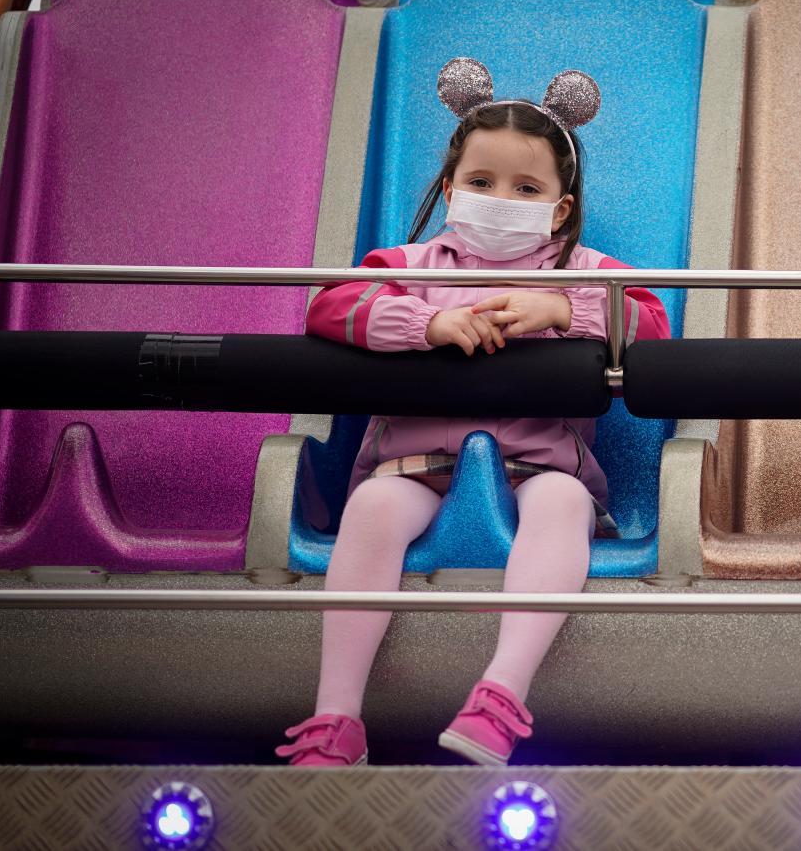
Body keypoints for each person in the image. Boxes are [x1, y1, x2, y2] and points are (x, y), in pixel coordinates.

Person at [275, 58, 670, 767]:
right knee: (369, 510)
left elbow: (652, 324)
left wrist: (559, 309)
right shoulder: (408, 263)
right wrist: (423, 326)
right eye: (482, 184)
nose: (499, 198)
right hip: (415, 462)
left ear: (560, 209)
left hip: (539, 462)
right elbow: (330, 307)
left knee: (559, 503)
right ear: (452, 188)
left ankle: (500, 693)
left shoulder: (589, 273)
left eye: (525, 188)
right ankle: (336, 717)